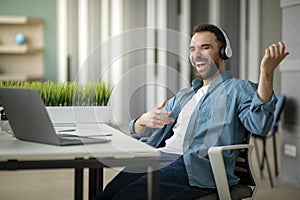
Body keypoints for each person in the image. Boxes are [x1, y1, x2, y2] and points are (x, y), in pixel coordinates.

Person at [94, 24, 289, 200]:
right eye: (192, 49)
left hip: (192, 167)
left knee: (126, 197)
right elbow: (143, 131)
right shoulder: (185, 95)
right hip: (158, 157)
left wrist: (267, 74)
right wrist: (143, 121)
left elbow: (260, 125)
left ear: (223, 53)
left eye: (205, 47)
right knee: (107, 194)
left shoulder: (238, 89)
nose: (196, 54)